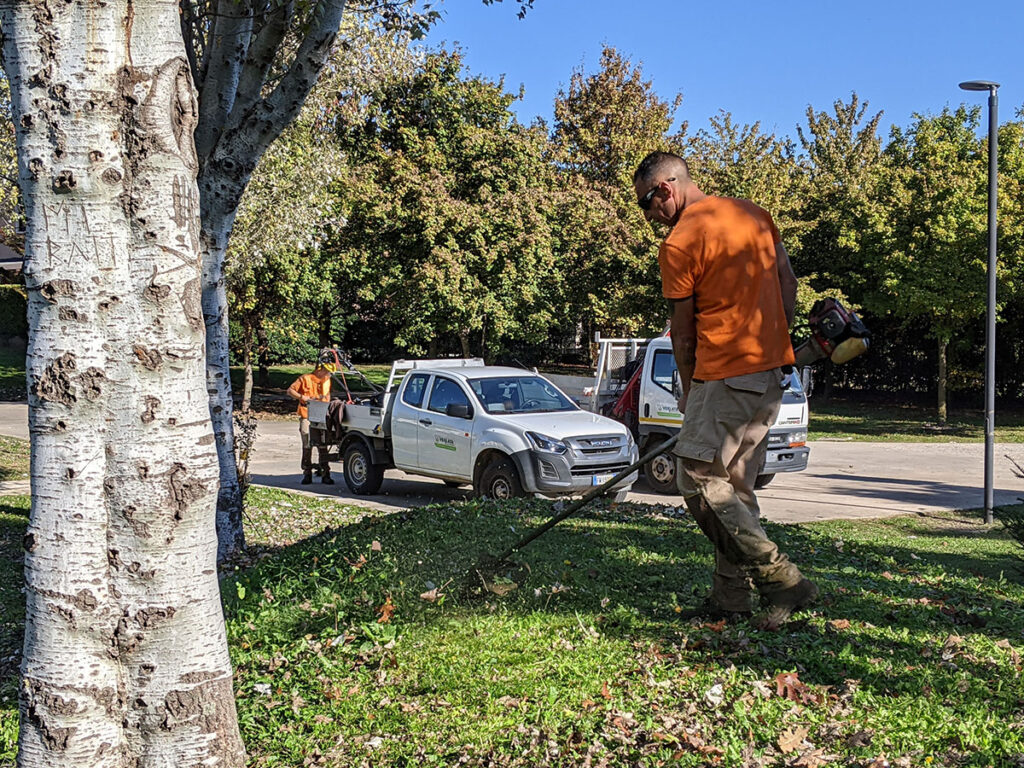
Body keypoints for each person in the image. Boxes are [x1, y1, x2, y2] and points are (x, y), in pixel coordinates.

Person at [632, 151, 818, 630]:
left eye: (646, 204)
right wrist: (775, 346)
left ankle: (783, 581)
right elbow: (789, 285)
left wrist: (691, 390)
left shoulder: (680, 242)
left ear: (667, 189)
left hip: (722, 373)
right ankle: (730, 599)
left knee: (693, 478)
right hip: (770, 373)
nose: (649, 216)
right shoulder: (754, 216)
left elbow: (684, 333)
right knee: (735, 486)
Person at [287, 349, 336, 485]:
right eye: (326, 371)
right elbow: (290, 390)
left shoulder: (327, 380)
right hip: (306, 415)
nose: (328, 374)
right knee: (307, 442)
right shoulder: (305, 378)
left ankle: (325, 473)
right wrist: (302, 397)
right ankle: (307, 472)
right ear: (319, 369)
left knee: (323, 444)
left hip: (321, 415)